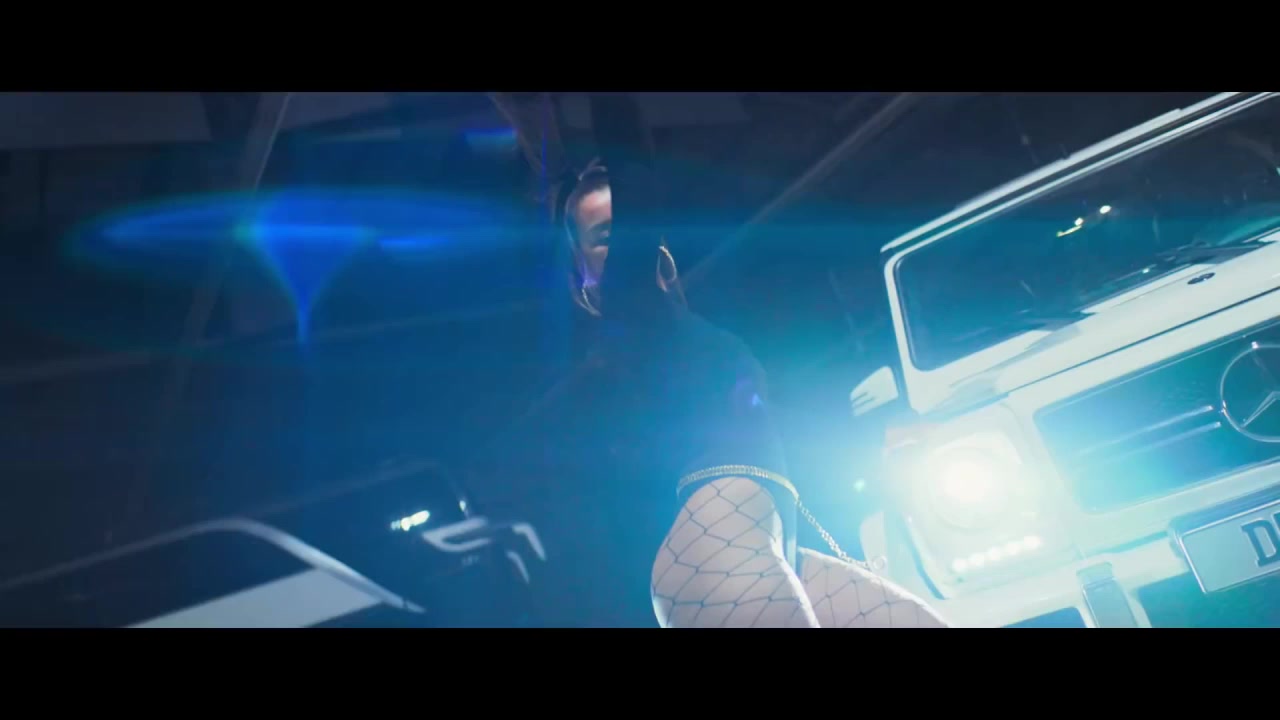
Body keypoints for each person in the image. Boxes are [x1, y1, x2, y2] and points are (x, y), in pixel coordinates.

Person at [493, 91, 947, 627]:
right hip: (718, 549)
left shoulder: (683, 337)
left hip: (771, 542)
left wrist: (877, 433)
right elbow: (635, 174)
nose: (624, 241)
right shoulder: (630, 317)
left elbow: (768, 423)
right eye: (605, 237)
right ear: (585, 277)